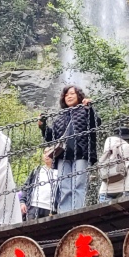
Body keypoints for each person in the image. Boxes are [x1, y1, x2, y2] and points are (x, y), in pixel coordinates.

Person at [39, 84, 100, 212]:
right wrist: (43, 126)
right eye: (66, 95)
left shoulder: (85, 110)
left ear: (79, 96)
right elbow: (52, 138)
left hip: (81, 153)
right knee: (64, 185)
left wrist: (90, 108)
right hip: (63, 155)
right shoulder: (60, 117)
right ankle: (64, 212)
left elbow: (96, 123)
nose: (69, 96)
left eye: (72, 93)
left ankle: (77, 211)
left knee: (79, 184)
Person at [98, 124, 129, 202]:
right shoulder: (128, 147)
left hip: (105, 189)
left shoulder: (107, 148)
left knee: (105, 214)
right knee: (124, 214)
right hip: (125, 188)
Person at [18, 149, 59, 220]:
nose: (47, 155)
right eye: (45, 153)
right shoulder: (36, 171)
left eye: (49, 152)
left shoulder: (59, 171)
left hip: (50, 208)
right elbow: (26, 186)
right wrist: (22, 202)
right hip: (33, 206)